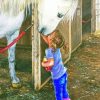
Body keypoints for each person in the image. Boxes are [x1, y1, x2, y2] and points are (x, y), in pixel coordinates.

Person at [41, 30, 71, 100]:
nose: (47, 36)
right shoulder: (56, 47)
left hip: (57, 77)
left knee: (58, 94)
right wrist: (42, 34)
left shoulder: (49, 51)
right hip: (63, 73)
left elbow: (51, 63)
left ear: (51, 40)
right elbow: (48, 41)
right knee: (64, 91)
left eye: (49, 35)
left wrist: (43, 64)